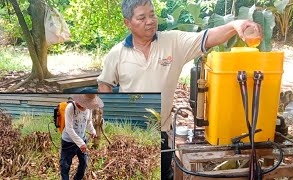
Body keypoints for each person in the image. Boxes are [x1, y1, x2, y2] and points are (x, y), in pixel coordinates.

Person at [97, 0, 262, 179]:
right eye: (142, 18)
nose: (150, 21)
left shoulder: (173, 42)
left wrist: (234, 25)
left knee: (162, 173)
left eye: (152, 15)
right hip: (129, 133)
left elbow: (208, 37)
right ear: (128, 23)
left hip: (161, 131)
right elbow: (104, 85)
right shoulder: (117, 54)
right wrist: (110, 122)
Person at [60, 94, 104, 180]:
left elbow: (88, 121)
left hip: (82, 140)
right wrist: (81, 144)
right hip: (68, 142)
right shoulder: (70, 107)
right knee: (65, 165)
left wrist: (92, 131)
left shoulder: (88, 108)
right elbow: (69, 129)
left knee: (84, 163)